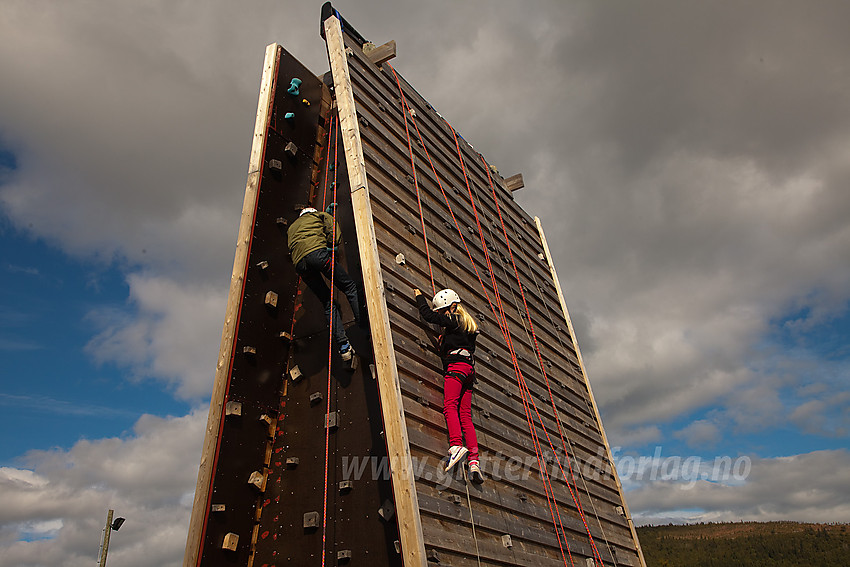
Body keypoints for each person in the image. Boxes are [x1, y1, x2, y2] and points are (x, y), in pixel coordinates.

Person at [413, 287, 484, 483]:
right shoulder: (469, 327)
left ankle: (456, 446)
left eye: (443, 311)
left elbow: (428, 316)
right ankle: (474, 462)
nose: (442, 316)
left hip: (457, 368)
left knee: (449, 407)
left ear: (453, 307)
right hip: (469, 372)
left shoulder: (454, 320)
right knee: (465, 416)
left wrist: (419, 296)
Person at [288, 205, 361, 361]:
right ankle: (363, 323)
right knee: (349, 287)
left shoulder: (292, 228)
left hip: (300, 265)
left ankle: (344, 347)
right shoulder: (320, 216)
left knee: (328, 303)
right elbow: (335, 238)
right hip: (318, 256)